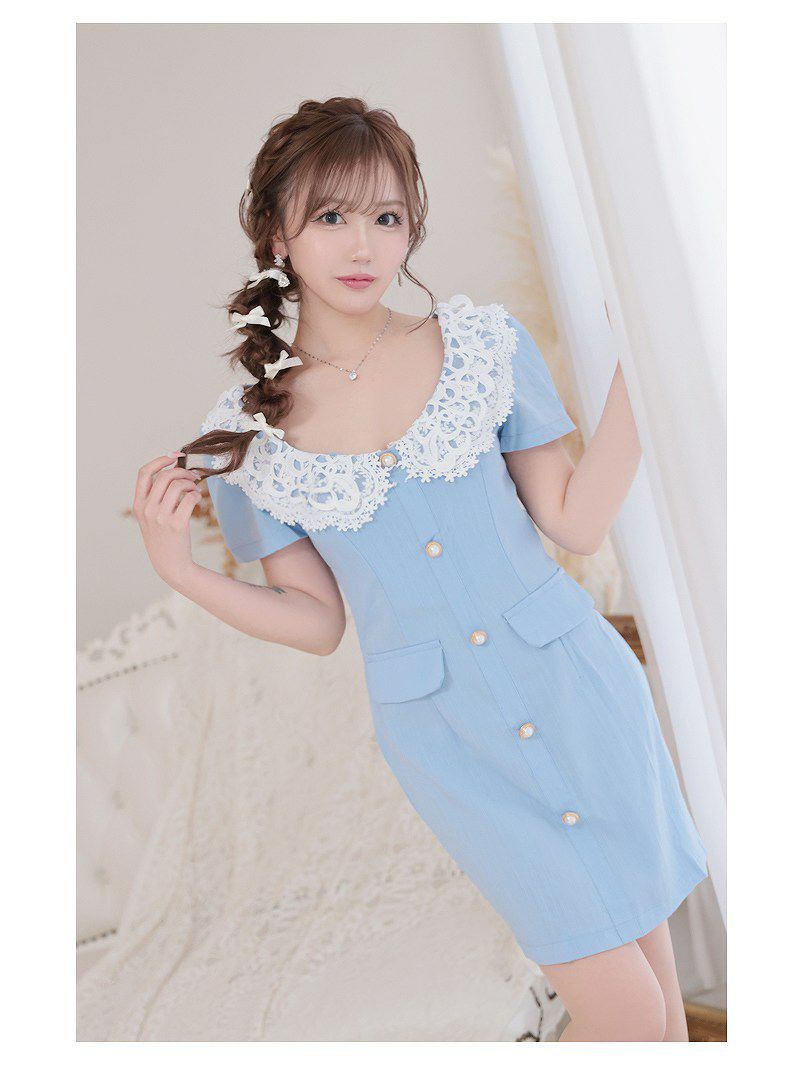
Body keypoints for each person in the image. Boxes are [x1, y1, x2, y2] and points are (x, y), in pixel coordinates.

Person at [133, 96, 708, 1041]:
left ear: (412, 227)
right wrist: (184, 572)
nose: (363, 244)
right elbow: (317, 621)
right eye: (331, 215)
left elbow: (574, 516)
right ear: (277, 234)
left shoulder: (483, 347)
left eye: (387, 215)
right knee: (634, 1018)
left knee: (660, 1016)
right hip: (452, 743)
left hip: (579, 692)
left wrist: (646, 354)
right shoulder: (250, 435)